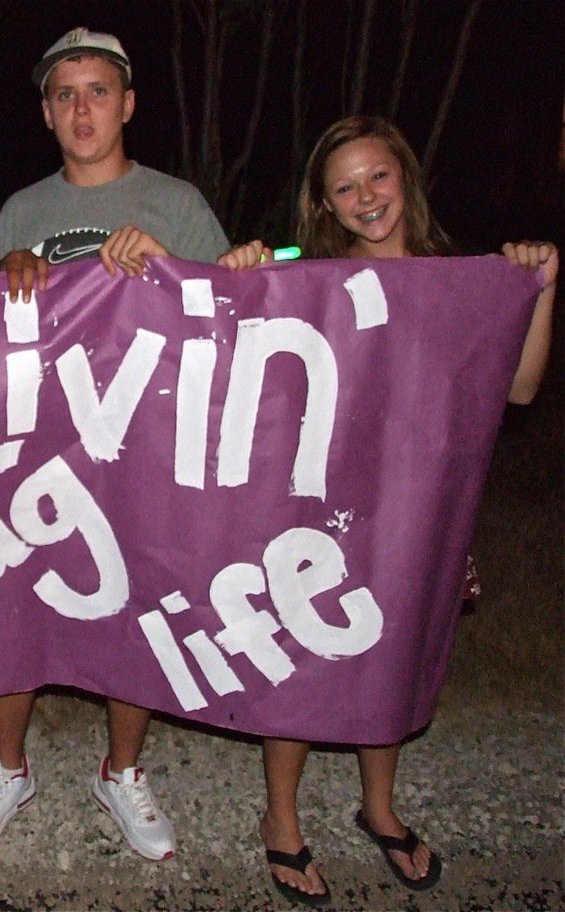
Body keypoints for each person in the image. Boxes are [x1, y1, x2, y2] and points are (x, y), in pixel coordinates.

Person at [218, 114, 556, 907]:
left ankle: (379, 808)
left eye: (377, 175)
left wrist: (539, 288)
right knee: (301, 650)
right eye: (344, 187)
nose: (366, 196)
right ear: (325, 205)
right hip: (321, 506)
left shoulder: (461, 277)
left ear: (405, 175)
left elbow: (520, 388)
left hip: (417, 510)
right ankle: (281, 817)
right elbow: (241, 336)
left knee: (393, 654)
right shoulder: (311, 275)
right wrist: (243, 269)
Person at [0, 27, 229, 861]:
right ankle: (9, 766)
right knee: (11, 593)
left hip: (141, 443)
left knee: (136, 599)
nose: (82, 110)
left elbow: (231, 322)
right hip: (38, 445)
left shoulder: (177, 203)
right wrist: (2, 270)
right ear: (45, 112)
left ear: (128, 104)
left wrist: (171, 268)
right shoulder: (21, 209)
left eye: (99, 91)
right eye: (64, 95)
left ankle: (123, 769)